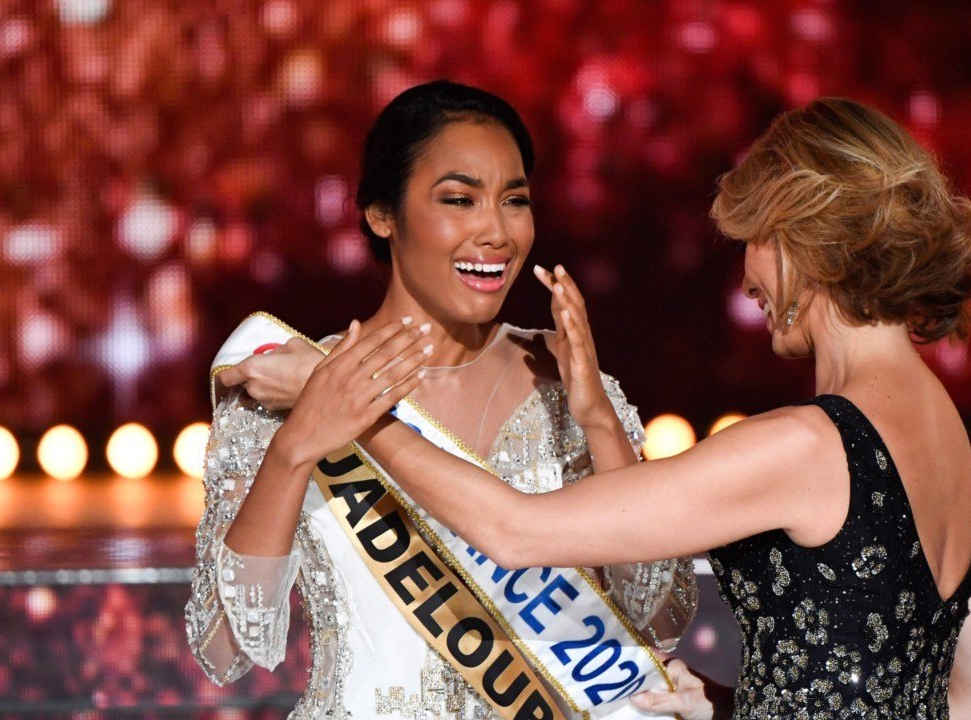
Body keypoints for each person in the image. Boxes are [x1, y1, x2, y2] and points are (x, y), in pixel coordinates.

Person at [281, 97, 971, 719]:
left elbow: (513, 531)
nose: (747, 279)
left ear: (808, 239)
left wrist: (356, 411)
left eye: (756, 241)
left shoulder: (810, 446)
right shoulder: (947, 436)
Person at [185, 80, 697, 719]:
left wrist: (597, 421)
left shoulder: (566, 380)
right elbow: (225, 649)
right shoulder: (293, 379)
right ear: (382, 214)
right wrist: (294, 448)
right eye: (460, 199)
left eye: (515, 200)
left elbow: (657, 615)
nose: (496, 231)